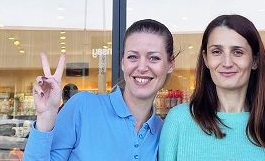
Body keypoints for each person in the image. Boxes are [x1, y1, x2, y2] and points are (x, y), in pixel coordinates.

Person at [23, 19, 176, 160]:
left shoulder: (165, 133)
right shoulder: (83, 107)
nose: (142, 67)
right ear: (123, 62)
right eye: (132, 57)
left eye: (154, 58)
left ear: (170, 65)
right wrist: (46, 117)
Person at [159, 14, 265, 161]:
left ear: (255, 60)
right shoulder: (179, 121)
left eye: (238, 52)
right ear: (206, 59)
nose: (227, 63)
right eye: (216, 52)